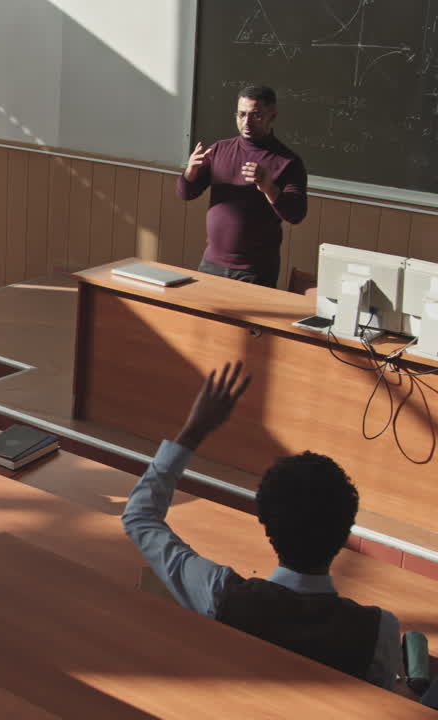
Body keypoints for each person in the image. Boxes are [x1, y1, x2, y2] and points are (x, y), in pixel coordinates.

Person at [122, 362, 400, 688]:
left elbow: (139, 517)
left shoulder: (219, 595)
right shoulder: (380, 631)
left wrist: (193, 431)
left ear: (264, 521)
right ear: (345, 532)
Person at [178, 86, 308, 288]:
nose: (246, 122)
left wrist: (268, 187)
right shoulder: (220, 149)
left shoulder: (288, 162)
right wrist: (190, 172)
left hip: (255, 271)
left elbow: (296, 214)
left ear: (272, 116)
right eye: (241, 114)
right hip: (212, 264)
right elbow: (186, 193)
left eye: (256, 115)